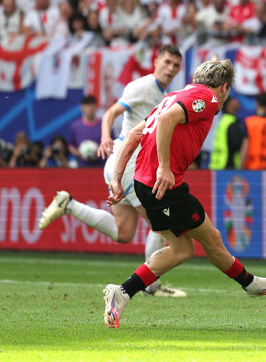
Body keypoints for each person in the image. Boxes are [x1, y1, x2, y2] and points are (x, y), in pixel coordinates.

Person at [102, 59, 266, 328]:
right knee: (210, 238)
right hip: (164, 186)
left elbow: (133, 135)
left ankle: (121, 293)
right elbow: (166, 120)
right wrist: (164, 168)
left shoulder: (173, 96)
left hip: (146, 185)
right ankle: (251, 284)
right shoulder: (208, 98)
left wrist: (118, 179)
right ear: (224, 87)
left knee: (182, 249)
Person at [39, 45, 185, 297]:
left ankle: (68, 204)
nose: (170, 69)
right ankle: (151, 285)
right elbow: (112, 112)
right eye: (167, 62)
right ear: (156, 60)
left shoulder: (163, 95)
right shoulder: (143, 86)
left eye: (175, 65)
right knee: (161, 225)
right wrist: (105, 135)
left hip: (125, 165)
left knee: (124, 232)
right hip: (127, 165)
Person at [209, 96, 244, 170]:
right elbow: (236, 145)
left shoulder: (222, 121)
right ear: (229, 106)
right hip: (227, 164)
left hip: (216, 165)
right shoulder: (232, 122)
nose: (237, 103)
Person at [67, 95, 103, 167]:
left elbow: (112, 143)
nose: (89, 108)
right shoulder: (75, 126)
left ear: (96, 107)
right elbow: (70, 145)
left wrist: (100, 151)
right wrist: (78, 153)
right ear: (82, 107)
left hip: (100, 167)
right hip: (81, 167)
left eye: (92, 105)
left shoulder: (104, 125)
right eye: (87, 105)